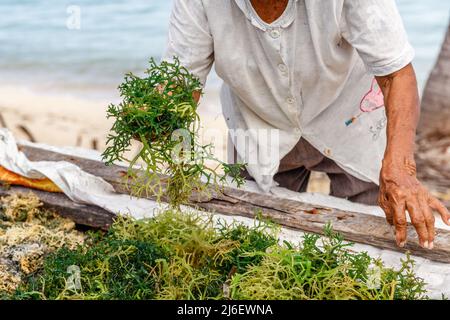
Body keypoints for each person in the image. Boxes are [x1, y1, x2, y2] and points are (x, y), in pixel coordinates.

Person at [162, 0, 449, 249]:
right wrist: (156, 117)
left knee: (378, 233)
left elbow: (396, 74)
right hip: (258, 121)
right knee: (254, 237)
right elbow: (180, 83)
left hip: (349, 118)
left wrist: (400, 169)